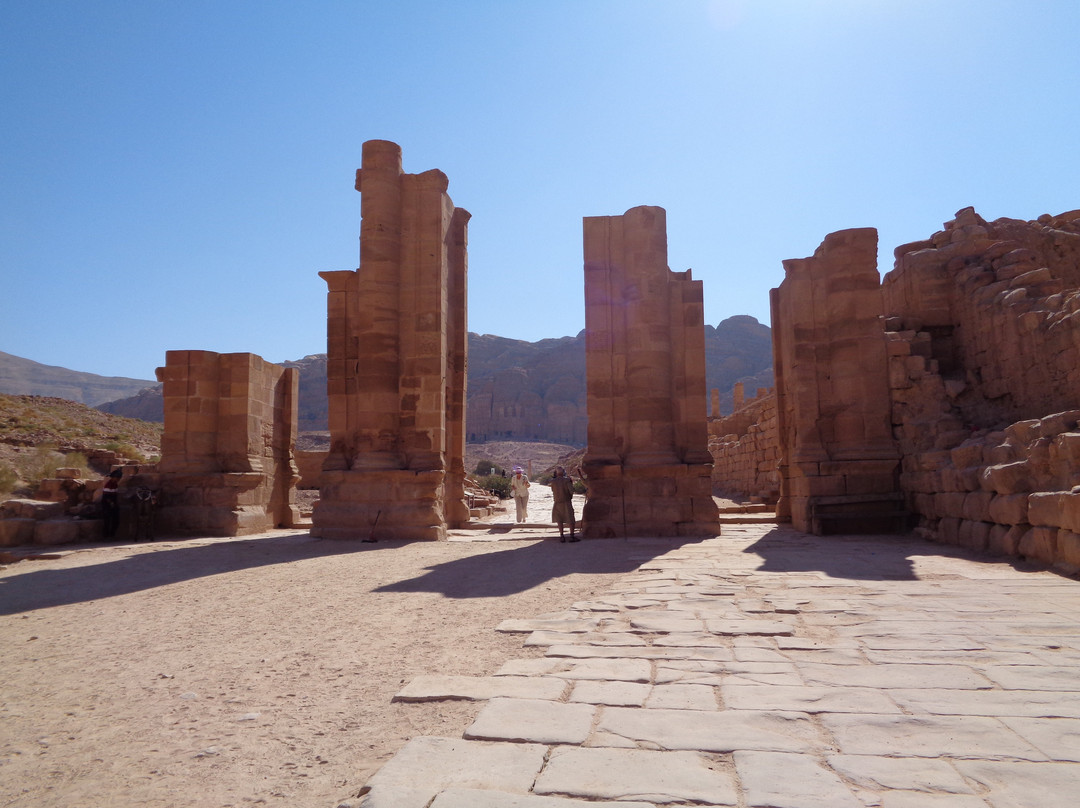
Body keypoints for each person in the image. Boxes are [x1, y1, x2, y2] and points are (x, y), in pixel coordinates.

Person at [550, 466, 578, 542]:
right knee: (571, 519)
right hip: (566, 502)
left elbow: (553, 490)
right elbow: (572, 491)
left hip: (557, 502)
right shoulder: (567, 480)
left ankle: (562, 536)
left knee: (559, 520)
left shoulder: (553, 481)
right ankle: (572, 536)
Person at [101, 468, 122, 539]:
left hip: (113, 504)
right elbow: (106, 496)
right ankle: (106, 536)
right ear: (114, 478)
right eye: (117, 478)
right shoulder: (108, 485)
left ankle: (112, 535)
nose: (118, 480)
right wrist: (111, 503)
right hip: (106, 505)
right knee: (107, 521)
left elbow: (115, 495)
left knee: (116, 520)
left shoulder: (115, 485)